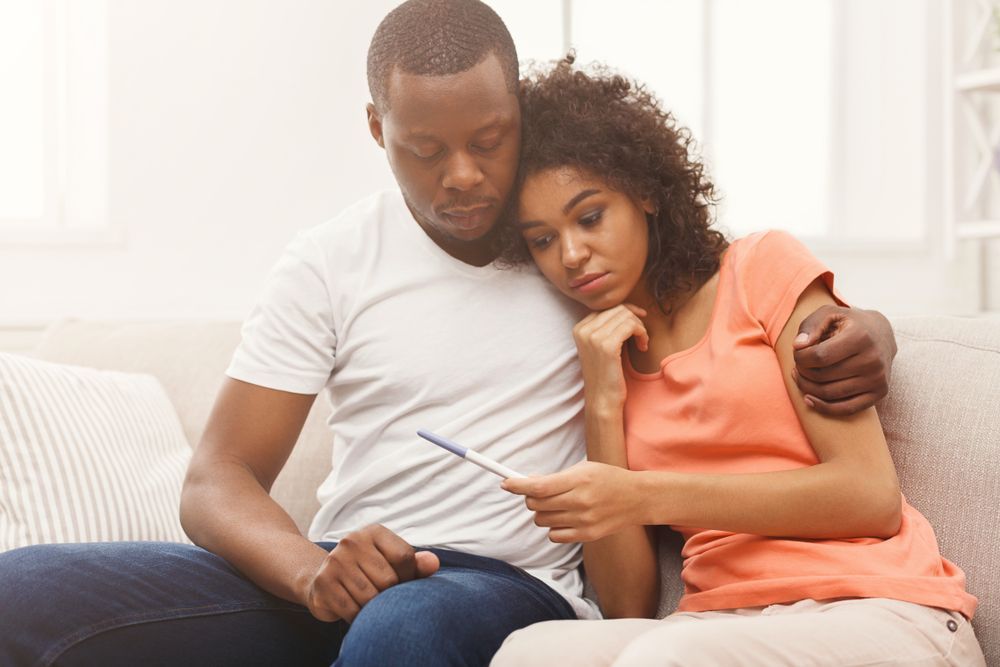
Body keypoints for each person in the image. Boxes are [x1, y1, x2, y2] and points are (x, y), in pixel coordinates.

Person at [0, 3, 898, 666]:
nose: (465, 177)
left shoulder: (572, 249)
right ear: (376, 128)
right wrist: (312, 575)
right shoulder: (330, 261)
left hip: (498, 586)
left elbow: (718, 293)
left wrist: (868, 329)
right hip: (340, 569)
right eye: (424, 149)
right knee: (23, 591)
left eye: (491, 139)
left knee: (405, 629)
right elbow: (217, 479)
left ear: (520, 115)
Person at [489, 59, 986, 666]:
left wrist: (644, 495)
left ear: (645, 191)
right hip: (723, 624)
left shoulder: (759, 269)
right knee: (531, 653)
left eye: (590, 217)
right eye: (542, 239)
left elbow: (869, 497)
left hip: (880, 607)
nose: (571, 254)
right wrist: (602, 398)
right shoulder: (602, 355)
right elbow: (627, 605)